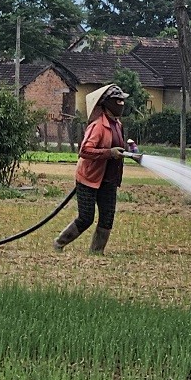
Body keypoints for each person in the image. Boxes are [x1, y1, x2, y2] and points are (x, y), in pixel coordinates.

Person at [53, 83, 130, 255]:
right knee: (86, 218)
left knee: (107, 217)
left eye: (122, 101)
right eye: (117, 101)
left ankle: (97, 252)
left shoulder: (117, 124)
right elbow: (84, 151)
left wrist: (132, 153)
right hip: (89, 178)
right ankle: (59, 243)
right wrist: (109, 153)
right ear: (107, 103)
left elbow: (119, 146)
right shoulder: (98, 126)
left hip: (109, 178)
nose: (121, 104)